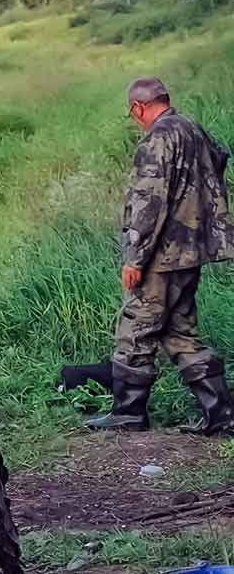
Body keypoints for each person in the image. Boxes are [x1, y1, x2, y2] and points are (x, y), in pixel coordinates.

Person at [86, 77, 234, 435]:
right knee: (181, 332)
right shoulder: (193, 130)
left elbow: (147, 204)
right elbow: (219, 162)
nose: (134, 119)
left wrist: (135, 258)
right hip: (192, 250)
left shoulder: (157, 138)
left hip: (162, 255)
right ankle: (222, 415)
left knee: (136, 326)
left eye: (132, 113)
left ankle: (128, 412)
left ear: (138, 107)